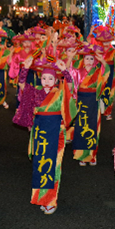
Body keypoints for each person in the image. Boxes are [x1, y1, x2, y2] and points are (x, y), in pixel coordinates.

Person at [12, 56, 77, 214]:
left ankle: (51, 200)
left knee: (53, 165)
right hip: (40, 131)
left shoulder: (60, 92)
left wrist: (64, 71)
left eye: (50, 78)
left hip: (56, 131)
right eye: (44, 78)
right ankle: (41, 197)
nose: (47, 81)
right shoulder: (34, 93)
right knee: (40, 164)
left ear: (55, 80)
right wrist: (25, 69)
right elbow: (22, 85)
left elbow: (70, 87)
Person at [70, 44, 110, 166]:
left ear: (95, 61)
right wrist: (70, 58)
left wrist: (103, 60)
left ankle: (92, 156)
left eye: (91, 59)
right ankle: (81, 155)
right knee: (81, 127)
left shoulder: (98, 72)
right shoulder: (78, 72)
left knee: (93, 127)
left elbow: (107, 72)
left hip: (93, 102)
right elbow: (68, 73)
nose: (88, 61)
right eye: (86, 58)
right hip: (81, 102)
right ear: (83, 60)